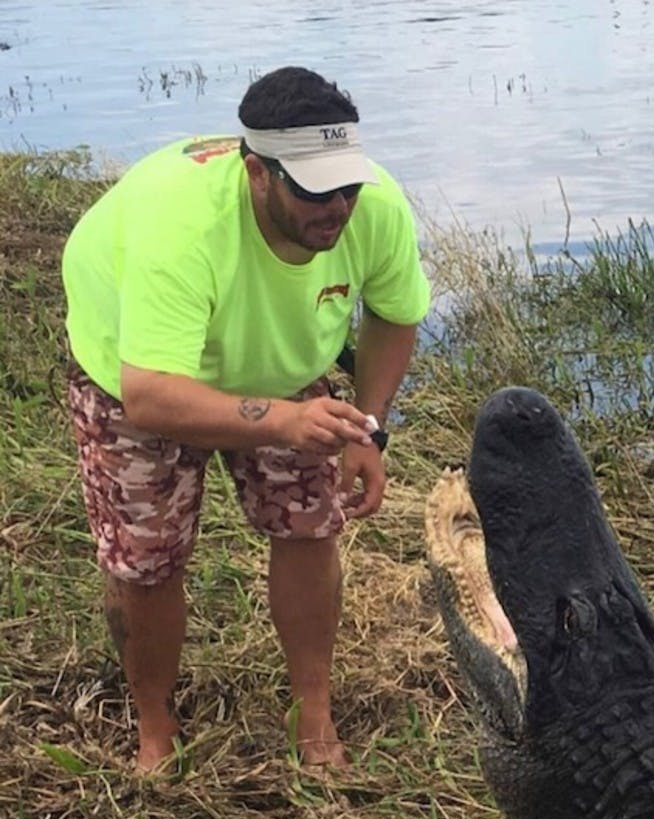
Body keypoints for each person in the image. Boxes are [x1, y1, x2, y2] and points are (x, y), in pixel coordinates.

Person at [62, 65, 430, 772]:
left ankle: (313, 712)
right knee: (148, 556)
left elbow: (394, 312)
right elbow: (151, 396)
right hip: (134, 368)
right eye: (316, 190)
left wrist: (370, 426)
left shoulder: (375, 206)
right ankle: (156, 725)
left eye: (348, 184)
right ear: (257, 172)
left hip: (281, 367)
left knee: (309, 523)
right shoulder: (182, 229)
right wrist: (279, 422)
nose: (339, 206)